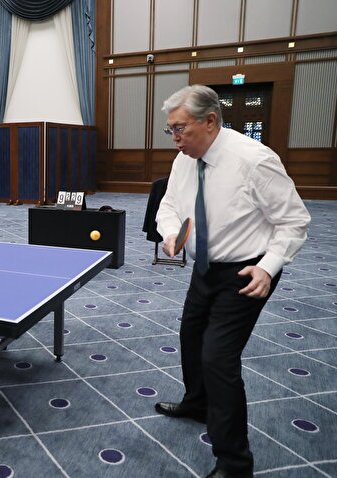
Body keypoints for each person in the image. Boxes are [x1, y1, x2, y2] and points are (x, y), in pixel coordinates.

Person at [154, 85, 310, 478]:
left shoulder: (254, 160)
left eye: (180, 128)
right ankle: (197, 403)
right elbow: (169, 205)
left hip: (246, 272)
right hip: (205, 268)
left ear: (210, 121)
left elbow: (294, 221)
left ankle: (235, 462)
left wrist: (269, 266)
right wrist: (170, 232)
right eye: (170, 130)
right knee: (191, 337)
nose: (174, 138)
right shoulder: (184, 159)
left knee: (218, 359)